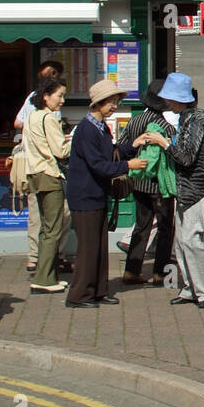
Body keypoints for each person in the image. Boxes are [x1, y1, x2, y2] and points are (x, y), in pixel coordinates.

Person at [137, 73, 204, 308]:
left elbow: (185, 156)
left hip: (197, 185)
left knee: (190, 238)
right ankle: (191, 288)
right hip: (188, 187)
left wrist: (163, 142)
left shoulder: (195, 120)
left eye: (170, 98)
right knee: (182, 240)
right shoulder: (187, 117)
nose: (167, 103)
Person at [65, 80, 146, 309]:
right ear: (98, 103)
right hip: (84, 196)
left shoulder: (101, 127)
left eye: (116, 101)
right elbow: (99, 164)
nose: (114, 106)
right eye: (111, 102)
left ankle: (99, 291)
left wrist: (133, 145)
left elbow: (112, 153)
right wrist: (128, 165)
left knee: (99, 247)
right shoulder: (85, 129)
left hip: (97, 194)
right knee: (88, 248)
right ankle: (79, 295)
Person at [118, 78, 176, 286]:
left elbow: (123, 146)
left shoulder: (134, 122)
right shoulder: (164, 126)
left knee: (141, 227)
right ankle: (161, 273)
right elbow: (173, 152)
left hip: (138, 181)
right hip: (159, 184)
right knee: (165, 227)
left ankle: (131, 270)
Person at [13, 59, 68, 274]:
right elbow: (59, 149)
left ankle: (46, 257)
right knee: (47, 214)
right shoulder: (41, 112)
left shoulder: (43, 111)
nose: (62, 98)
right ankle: (40, 260)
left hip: (40, 165)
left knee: (52, 214)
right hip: (43, 166)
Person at [24, 76, 73, 293]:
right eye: (59, 95)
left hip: (35, 174)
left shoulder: (32, 116)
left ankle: (48, 276)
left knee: (46, 227)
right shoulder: (49, 118)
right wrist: (74, 140)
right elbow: (60, 151)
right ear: (46, 96)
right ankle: (44, 280)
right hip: (49, 174)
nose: (62, 100)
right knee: (53, 228)